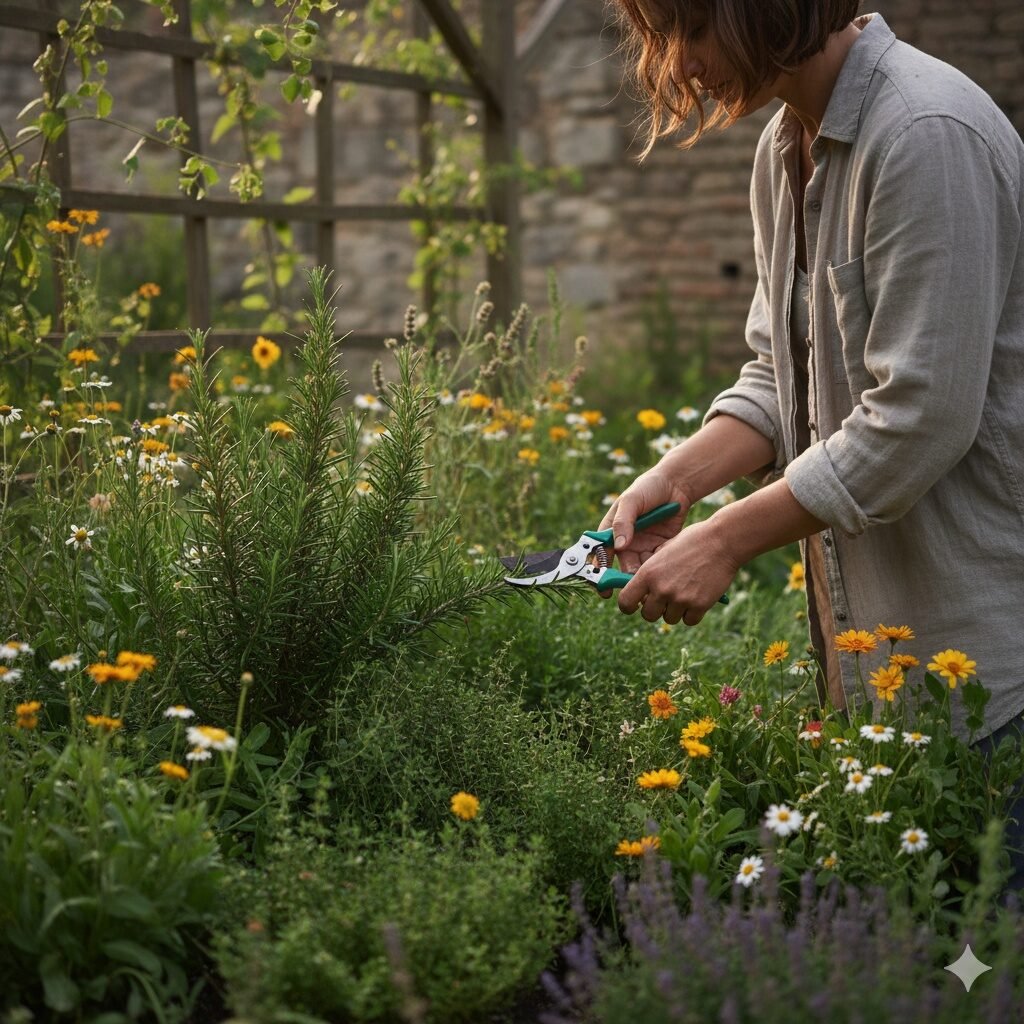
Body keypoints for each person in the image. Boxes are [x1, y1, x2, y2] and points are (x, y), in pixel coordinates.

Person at [600, 1, 1024, 753]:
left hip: (993, 674)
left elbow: (920, 418)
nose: (681, 68)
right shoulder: (784, 144)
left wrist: (724, 540)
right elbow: (777, 374)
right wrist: (676, 482)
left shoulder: (926, 134)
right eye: (664, 38)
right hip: (881, 670)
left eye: (694, 31)